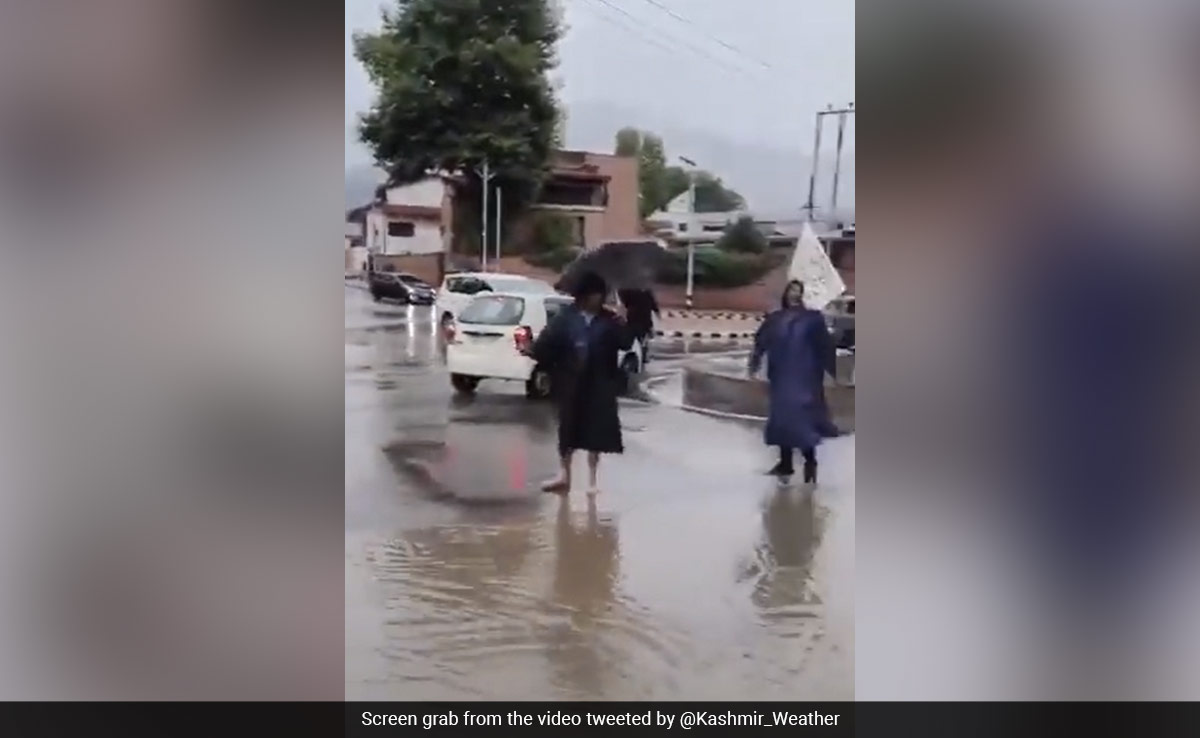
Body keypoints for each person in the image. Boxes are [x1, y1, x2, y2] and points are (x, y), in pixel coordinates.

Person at [529, 271, 633, 495]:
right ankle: (564, 475)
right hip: (570, 382)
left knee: (596, 432)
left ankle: (592, 480)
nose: (599, 298)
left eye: (600, 294)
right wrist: (531, 350)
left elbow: (625, 344)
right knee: (567, 429)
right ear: (584, 295)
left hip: (600, 383)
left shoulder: (609, 320)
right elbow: (547, 344)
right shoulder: (566, 318)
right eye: (595, 294)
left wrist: (625, 322)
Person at [748, 280, 838, 482]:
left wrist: (831, 372)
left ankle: (810, 461)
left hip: (805, 375)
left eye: (798, 291)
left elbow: (825, 346)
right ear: (785, 293)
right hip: (780, 375)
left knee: (802, 418)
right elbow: (760, 342)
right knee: (782, 417)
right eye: (791, 290)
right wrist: (754, 365)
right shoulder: (775, 318)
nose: (794, 294)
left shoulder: (813, 319)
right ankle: (785, 463)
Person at [616, 287, 660, 365]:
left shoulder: (631, 291)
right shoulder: (644, 292)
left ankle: (637, 357)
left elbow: (622, 304)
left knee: (634, 341)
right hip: (640, 321)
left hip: (636, 320)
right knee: (640, 340)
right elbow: (654, 305)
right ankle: (640, 357)